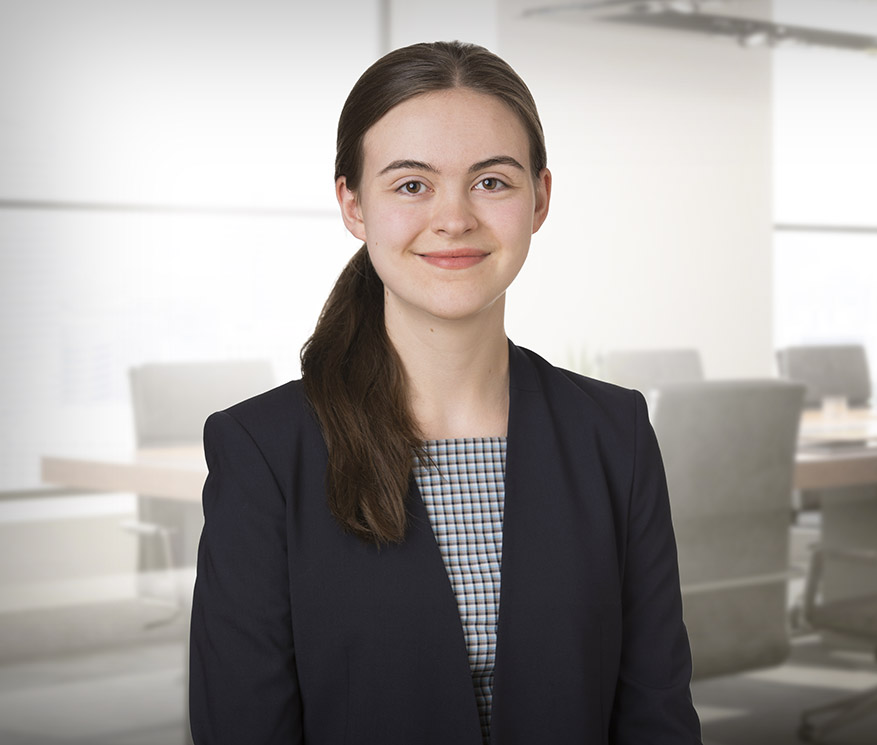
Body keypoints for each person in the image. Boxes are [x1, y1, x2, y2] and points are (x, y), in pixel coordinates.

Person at [188, 41, 702, 744]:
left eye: (492, 182)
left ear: (540, 199)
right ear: (353, 205)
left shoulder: (614, 433)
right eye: (411, 185)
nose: (454, 218)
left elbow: (658, 717)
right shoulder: (265, 451)